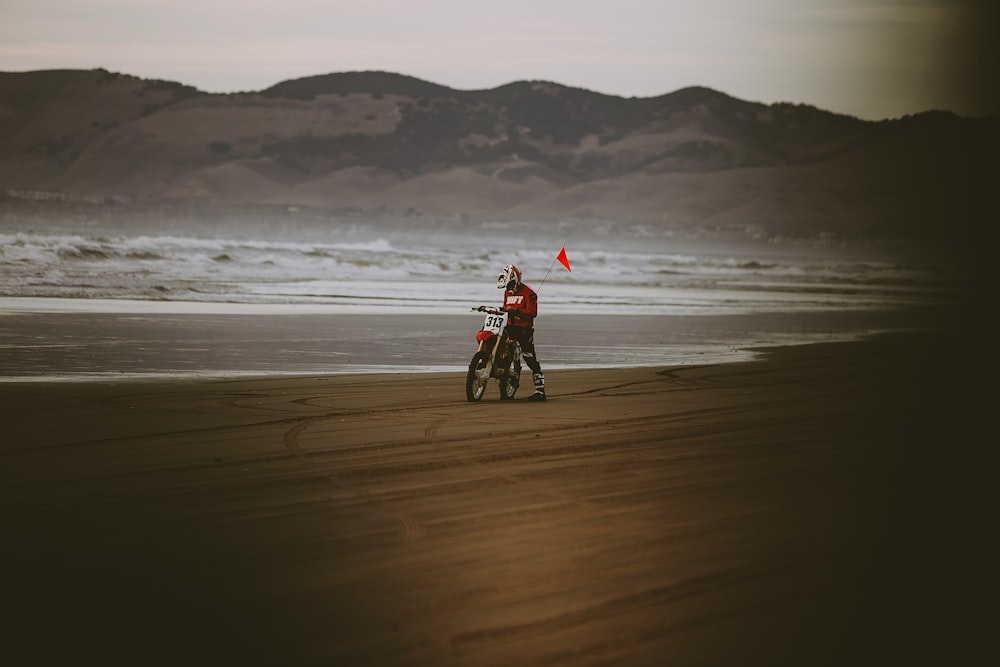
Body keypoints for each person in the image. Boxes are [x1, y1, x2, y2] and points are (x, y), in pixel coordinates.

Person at [496, 264, 546, 401]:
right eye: (507, 285)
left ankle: (540, 391)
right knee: (497, 341)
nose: (509, 288)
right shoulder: (507, 292)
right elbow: (506, 308)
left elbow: (533, 313)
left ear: (516, 279)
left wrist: (516, 311)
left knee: (529, 358)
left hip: (524, 330)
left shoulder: (529, 294)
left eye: (511, 284)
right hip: (510, 327)